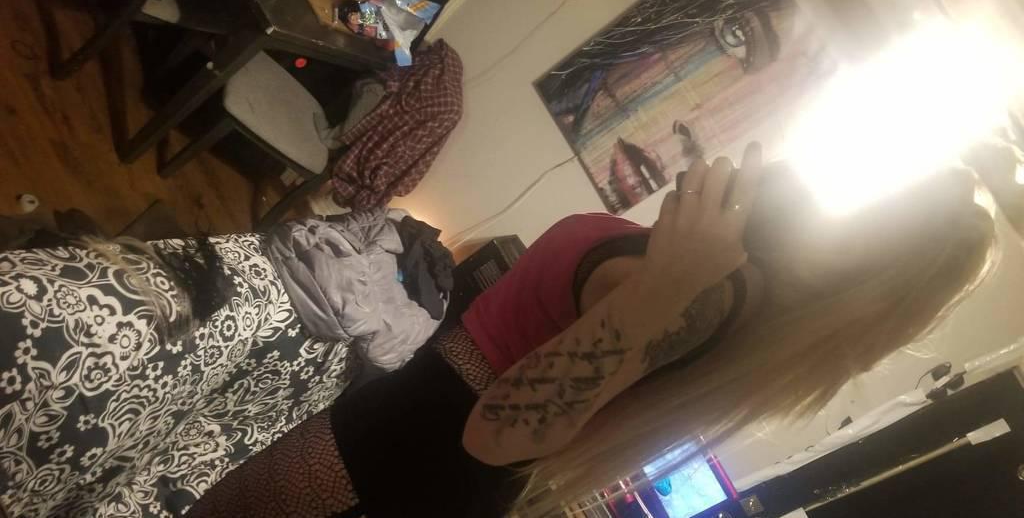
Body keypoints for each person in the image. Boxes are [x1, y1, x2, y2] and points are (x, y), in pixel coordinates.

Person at [187, 142, 994, 518]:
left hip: (409, 448)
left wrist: (668, 284)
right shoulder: (737, 289)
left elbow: (498, 432)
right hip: (418, 442)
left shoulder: (709, 294)